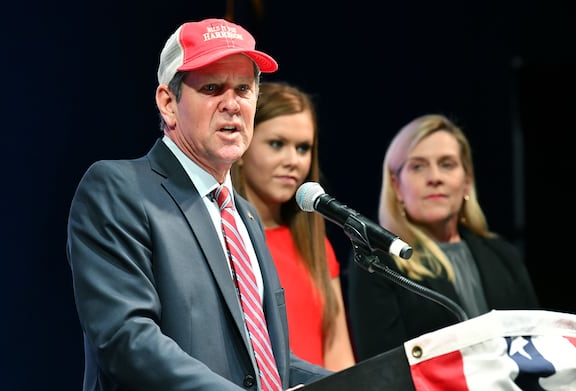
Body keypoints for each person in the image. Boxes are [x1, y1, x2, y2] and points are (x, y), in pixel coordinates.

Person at [66, 18, 332, 390]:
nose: (232, 105)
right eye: (212, 87)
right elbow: (127, 341)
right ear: (168, 103)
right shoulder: (119, 189)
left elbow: (267, 361)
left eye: (244, 89)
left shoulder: (246, 216)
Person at [346, 113, 539, 360]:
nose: (435, 178)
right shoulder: (377, 263)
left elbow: (539, 347)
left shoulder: (504, 256)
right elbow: (383, 370)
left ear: (467, 181)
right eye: (418, 166)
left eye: (447, 164)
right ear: (396, 186)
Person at [231, 81, 356, 371]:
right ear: (242, 148)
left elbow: (338, 353)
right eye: (277, 144)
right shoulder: (223, 239)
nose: (292, 161)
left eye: (303, 148)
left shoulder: (317, 247)